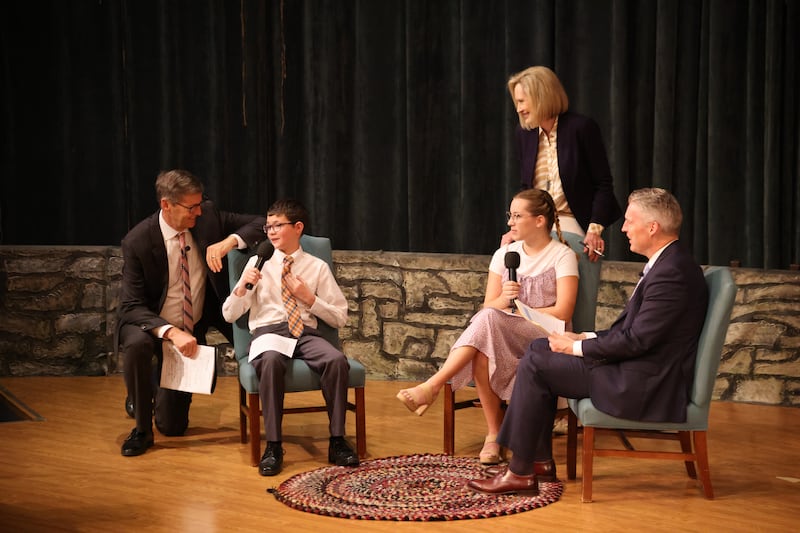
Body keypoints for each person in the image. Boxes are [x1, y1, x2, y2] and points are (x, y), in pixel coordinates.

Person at [467, 188, 709, 495]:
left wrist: (576, 347)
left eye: (629, 221)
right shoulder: (670, 264)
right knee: (539, 348)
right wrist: (583, 336)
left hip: (643, 382)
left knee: (538, 362)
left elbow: (637, 341)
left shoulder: (672, 273)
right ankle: (537, 460)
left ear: (652, 227)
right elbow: (639, 334)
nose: (622, 228)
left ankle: (520, 470)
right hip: (639, 368)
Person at [397, 188, 579, 464]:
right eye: (510, 215)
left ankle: (433, 385)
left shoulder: (562, 255)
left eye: (517, 216)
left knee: (489, 321)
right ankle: (493, 434)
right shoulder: (504, 255)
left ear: (539, 220)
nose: (510, 222)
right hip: (503, 331)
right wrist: (504, 299)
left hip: (546, 335)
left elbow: (564, 311)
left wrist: (522, 310)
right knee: (484, 344)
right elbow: (488, 306)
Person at [117, 169, 265, 457]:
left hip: (193, 322)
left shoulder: (207, 217)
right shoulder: (137, 242)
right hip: (152, 322)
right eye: (191, 207)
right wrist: (171, 332)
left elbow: (262, 223)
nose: (198, 211)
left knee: (172, 426)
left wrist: (229, 241)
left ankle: (156, 398)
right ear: (166, 205)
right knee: (136, 344)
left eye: (200, 203)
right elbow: (131, 306)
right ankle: (141, 428)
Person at [222, 199, 359, 476]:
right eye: (268, 226)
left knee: (335, 360)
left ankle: (337, 440)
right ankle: (273, 445)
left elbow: (340, 316)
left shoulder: (317, 267)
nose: (271, 232)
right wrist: (243, 288)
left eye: (277, 226)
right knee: (271, 362)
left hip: (305, 333)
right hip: (269, 332)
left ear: (297, 228)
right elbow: (229, 314)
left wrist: (310, 299)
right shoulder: (256, 263)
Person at [503, 65, 622, 262]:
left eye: (522, 101)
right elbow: (527, 190)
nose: (519, 109)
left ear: (541, 97)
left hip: (574, 221)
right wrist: (515, 228)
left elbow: (603, 184)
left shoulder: (581, 128)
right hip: (538, 222)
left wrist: (594, 230)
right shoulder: (523, 133)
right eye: (517, 102)